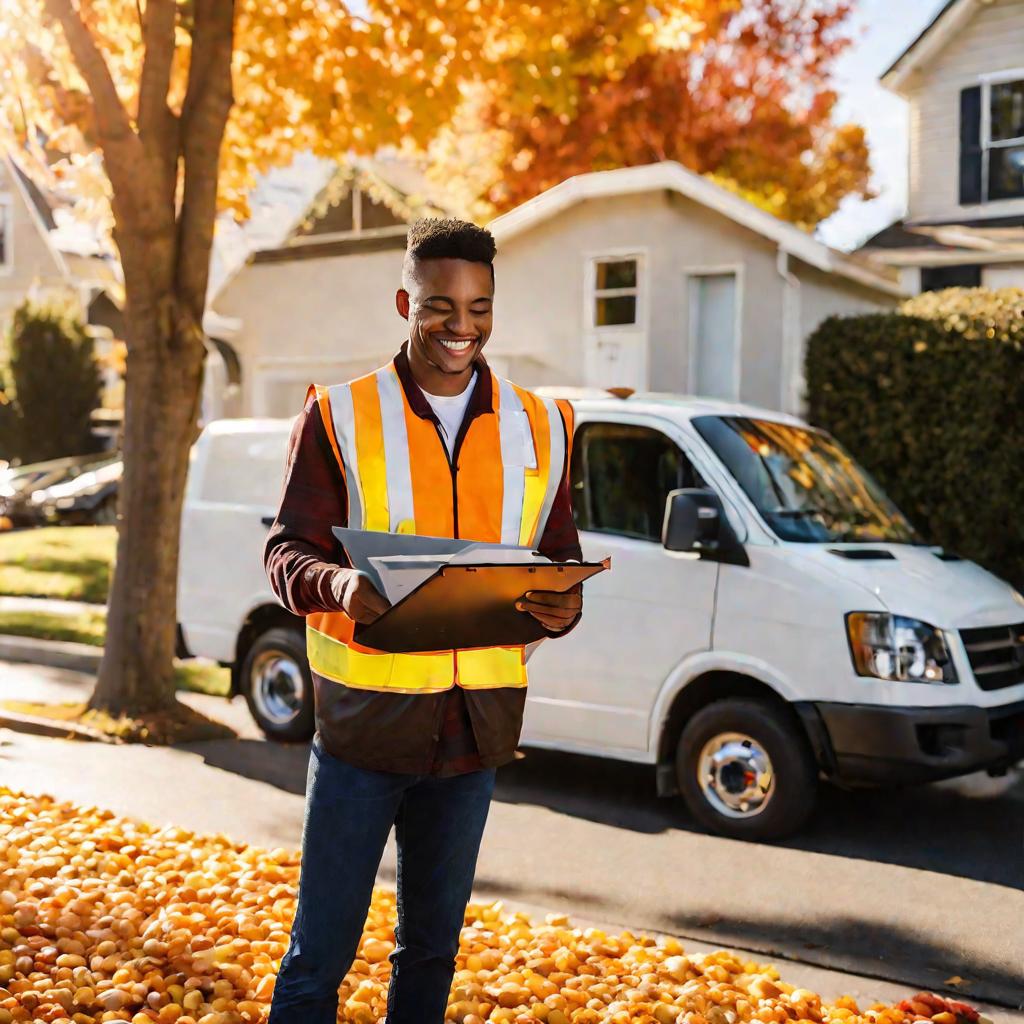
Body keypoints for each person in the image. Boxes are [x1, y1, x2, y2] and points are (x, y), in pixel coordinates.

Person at [263, 217, 584, 1024]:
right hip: (363, 735)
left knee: (432, 953)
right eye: (441, 306)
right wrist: (336, 585)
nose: (461, 327)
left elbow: (557, 558)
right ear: (406, 301)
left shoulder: (543, 424)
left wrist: (562, 608)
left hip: (473, 734)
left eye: (479, 308)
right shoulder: (337, 416)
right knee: (319, 958)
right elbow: (284, 554)